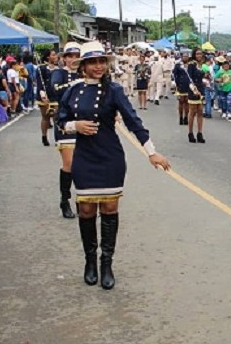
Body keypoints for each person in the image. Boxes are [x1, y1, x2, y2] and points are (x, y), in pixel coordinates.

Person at [57, 41, 170, 290]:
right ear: (83, 66)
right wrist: (75, 126)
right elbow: (59, 119)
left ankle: (106, 262)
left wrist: (152, 152)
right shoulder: (72, 90)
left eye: (102, 62)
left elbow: (133, 121)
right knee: (86, 210)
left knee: (109, 208)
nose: (98, 66)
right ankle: (90, 262)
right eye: (93, 62)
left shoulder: (114, 90)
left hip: (110, 157)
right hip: (84, 157)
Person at [50, 42, 82, 219]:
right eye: (70, 56)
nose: (73, 59)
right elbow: (55, 91)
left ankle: (82, 199)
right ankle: (65, 200)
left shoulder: (85, 73)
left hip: (83, 122)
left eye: (77, 55)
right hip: (65, 122)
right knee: (69, 164)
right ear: (64, 58)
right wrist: (75, 83)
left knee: (83, 164)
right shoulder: (59, 73)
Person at [35, 49, 58, 146]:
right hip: (44, 95)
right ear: (48, 57)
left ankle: (58, 138)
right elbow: (40, 84)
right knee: (46, 117)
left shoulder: (58, 69)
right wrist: (43, 95)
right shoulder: (41, 69)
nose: (56, 56)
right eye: (53, 55)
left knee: (57, 118)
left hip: (56, 96)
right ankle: (44, 136)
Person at [187, 48, 206, 143]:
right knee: (192, 112)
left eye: (200, 54)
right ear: (194, 54)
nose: (199, 55)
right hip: (193, 89)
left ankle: (200, 133)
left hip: (201, 89)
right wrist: (194, 90)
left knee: (200, 111)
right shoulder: (191, 64)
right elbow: (189, 78)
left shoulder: (201, 65)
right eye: (197, 54)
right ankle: (190, 133)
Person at [173, 51, 193, 126]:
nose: (185, 57)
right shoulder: (178, 65)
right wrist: (176, 84)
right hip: (180, 85)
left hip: (189, 85)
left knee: (187, 102)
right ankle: (181, 117)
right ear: (182, 57)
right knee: (181, 101)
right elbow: (175, 75)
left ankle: (186, 117)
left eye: (187, 56)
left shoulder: (191, 65)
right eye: (184, 56)